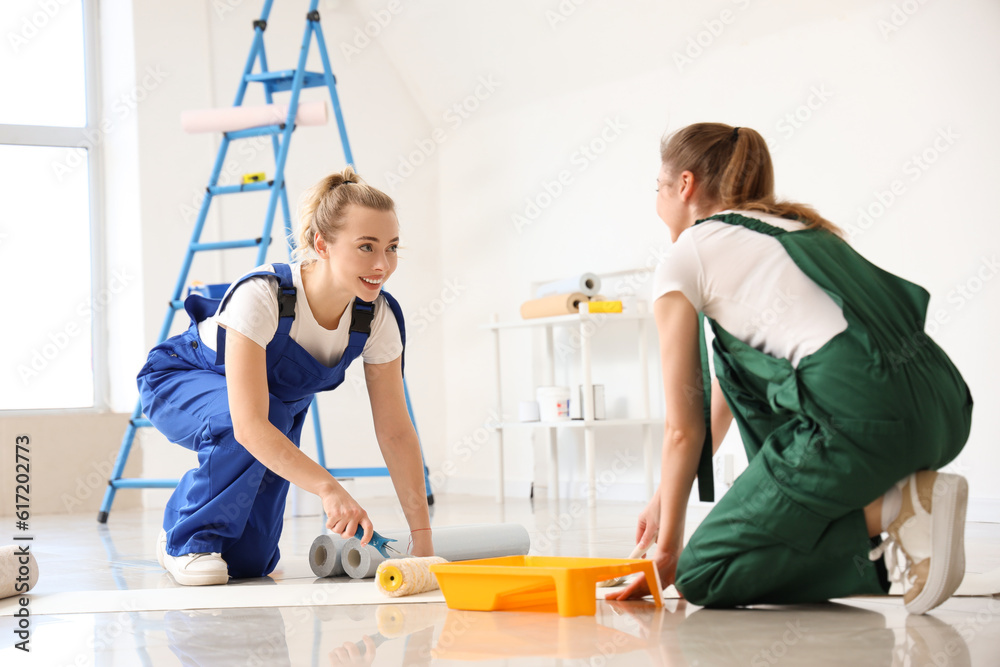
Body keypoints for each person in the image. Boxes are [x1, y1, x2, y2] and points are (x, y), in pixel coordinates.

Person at [610, 123, 972, 614]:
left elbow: (683, 427)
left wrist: (668, 552)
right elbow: (723, 392)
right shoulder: (798, 228)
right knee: (730, 362)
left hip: (859, 423)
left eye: (658, 187)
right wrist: (662, 501)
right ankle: (896, 522)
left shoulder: (686, 254)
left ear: (685, 185)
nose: (657, 200)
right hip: (943, 411)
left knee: (703, 573)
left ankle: (894, 513)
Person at [138, 167, 433, 585]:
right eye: (366, 247)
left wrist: (422, 540)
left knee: (250, 563)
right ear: (321, 244)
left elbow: (395, 431)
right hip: (181, 380)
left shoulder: (377, 317)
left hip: (271, 413)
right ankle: (183, 539)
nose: (382, 264)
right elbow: (248, 424)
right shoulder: (264, 295)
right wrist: (329, 489)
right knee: (254, 421)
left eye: (392, 247)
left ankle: (204, 540)